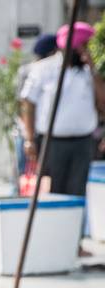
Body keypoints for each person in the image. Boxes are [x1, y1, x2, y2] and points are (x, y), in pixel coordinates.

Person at [21, 22, 105, 196]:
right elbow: (28, 103)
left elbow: (102, 100)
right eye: (84, 46)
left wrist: (93, 69)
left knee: (79, 192)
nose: (87, 50)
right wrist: (29, 139)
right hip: (53, 142)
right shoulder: (44, 69)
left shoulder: (88, 71)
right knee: (54, 191)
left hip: (83, 142)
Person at [15, 35, 58, 177]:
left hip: (31, 129)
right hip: (32, 130)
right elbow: (23, 102)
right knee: (31, 173)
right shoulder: (32, 70)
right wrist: (29, 135)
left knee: (28, 173)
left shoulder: (29, 69)